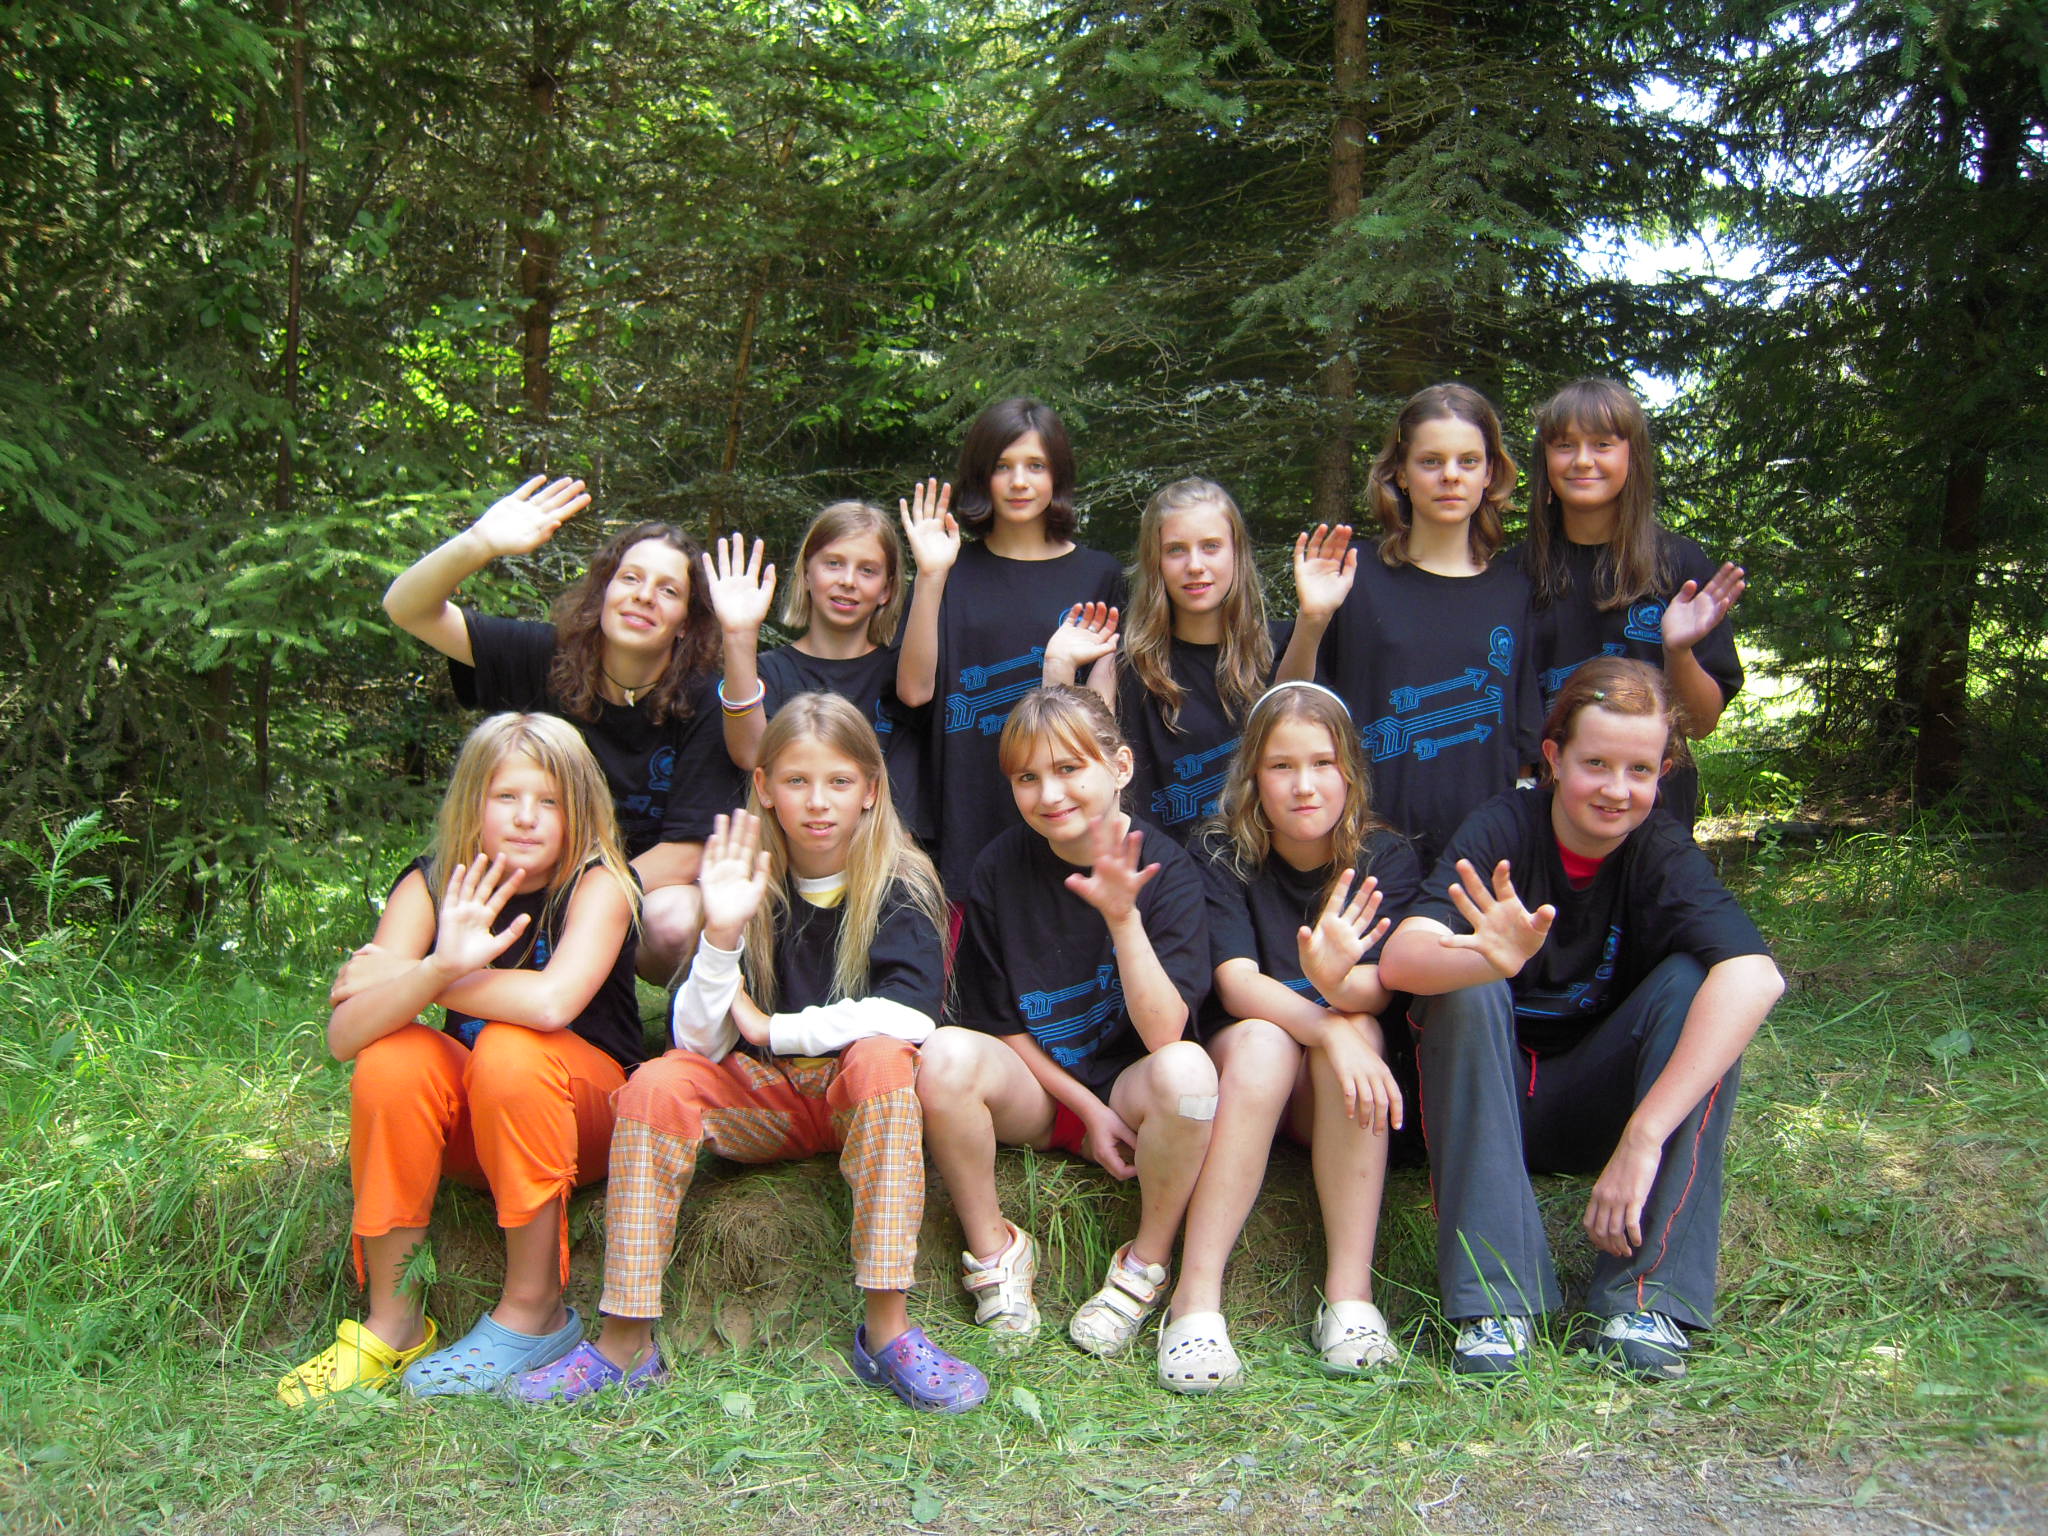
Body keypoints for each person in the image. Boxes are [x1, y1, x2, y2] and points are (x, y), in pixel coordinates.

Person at [511, 695, 982, 1409]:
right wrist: (723, 933)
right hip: (765, 1105)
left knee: (885, 1057)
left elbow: (910, 1015)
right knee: (658, 1082)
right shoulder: (746, 882)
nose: (817, 802)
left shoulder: (901, 879)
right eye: (796, 781)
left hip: (856, 1102)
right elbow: (698, 1042)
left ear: (870, 790)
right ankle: (624, 1343)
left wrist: (774, 1030)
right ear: (764, 788)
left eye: (839, 782)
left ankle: (889, 1331)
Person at [1379, 658, 1784, 1380]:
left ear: (1662, 773)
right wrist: (1487, 957)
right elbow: (1401, 960)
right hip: (1489, 1101)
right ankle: (1497, 1303)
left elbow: (1757, 976)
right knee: (1467, 984)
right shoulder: (1503, 826)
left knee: (1699, 983)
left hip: (1601, 1102)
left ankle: (1644, 1299)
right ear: (1555, 757)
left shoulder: (1660, 850)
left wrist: (1643, 1136)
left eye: (1639, 770)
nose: (1616, 790)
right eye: (1596, 763)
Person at [277, 713, 643, 1403]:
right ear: (474, 800)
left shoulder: (600, 884)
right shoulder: (431, 883)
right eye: (507, 797)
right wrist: (437, 964)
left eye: (550, 801)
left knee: (511, 1045)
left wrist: (422, 977)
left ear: (580, 809)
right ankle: (393, 1321)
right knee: (393, 1055)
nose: (527, 818)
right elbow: (345, 1036)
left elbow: (550, 1004)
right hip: (480, 1128)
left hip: (585, 1123)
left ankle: (535, 1310)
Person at [916, 686, 1214, 1362]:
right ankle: (996, 1254)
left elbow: (1166, 1035)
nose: (1049, 794)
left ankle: (1142, 1268)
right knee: (943, 1055)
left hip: (1133, 1093)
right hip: (1040, 1093)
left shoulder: (1168, 871)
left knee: (1191, 1075)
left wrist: (1123, 918)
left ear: (1121, 766)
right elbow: (998, 1023)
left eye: (1069, 769)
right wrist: (1085, 1110)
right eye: (1027, 778)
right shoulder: (998, 867)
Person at [1160, 682, 1420, 1391]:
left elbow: (1380, 986)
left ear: (1350, 773)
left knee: (1362, 1028)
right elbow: (1236, 983)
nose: (1304, 785)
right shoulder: (1219, 851)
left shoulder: (1384, 856)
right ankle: (1195, 1302)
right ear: (1253, 776)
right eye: (1281, 766)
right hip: (1248, 1075)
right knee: (1267, 1041)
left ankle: (1349, 1300)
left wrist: (1336, 991)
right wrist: (1328, 1027)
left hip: (1328, 1100)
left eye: (1322, 763)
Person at [382, 477, 742, 980]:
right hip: (526, 871)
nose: (644, 597)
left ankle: (675, 1020)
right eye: (630, 578)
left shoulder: (706, 698)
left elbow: (687, 853)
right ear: (604, 590)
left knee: (676, 920)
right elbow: (407, 609)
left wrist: (588, 895)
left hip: (633, 889)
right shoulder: (541, 655)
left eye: (668, 590)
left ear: (685, 621)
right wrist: (479, 543)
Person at [1278, 384, 1542, 872]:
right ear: (1401, 472)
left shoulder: (1515, 590)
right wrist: (1313, 620)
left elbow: (1525, 750)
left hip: (1480, 857)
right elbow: (1289, 707)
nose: (1450, 476)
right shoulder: (1354, 577)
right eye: (1430, 461)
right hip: (1367, 850)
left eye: (1468, 461)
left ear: (1489, 472)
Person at [896, 399, 1126, 910]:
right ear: (982, 476)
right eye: (1003, 466)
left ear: (1057, 474)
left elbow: (1104, 721)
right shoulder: (950, 570)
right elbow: (913, 691)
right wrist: (930, 575)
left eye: (1035, 466)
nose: (1019, 482)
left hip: (1066, 815)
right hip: (967, 809)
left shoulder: (1099, 575)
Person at [1509, 377, 1747, 827]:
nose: (1583, 460)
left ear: (1632, 456)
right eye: (1565, 445)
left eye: (1602, 444)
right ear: (1545, 460)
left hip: (1654, 816)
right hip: (1543, 818)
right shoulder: (1512, 575)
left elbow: (1700, 724)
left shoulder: (1679, 567)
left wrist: (1678, 650)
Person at [1048, 477, 1277, 845]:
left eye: (1211, 546)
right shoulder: (1120, 665)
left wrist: (1314, 623)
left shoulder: (1277, 651)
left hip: (1255, 870)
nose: (1195, 565)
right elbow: (1073, 769)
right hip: (1152, 871)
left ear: (1237, 553)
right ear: (1155, 562)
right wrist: (1058, 668)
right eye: (1176, 550)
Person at [699, 504, 928, 838]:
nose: (847, 581)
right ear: (807, 573)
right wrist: (738, 634)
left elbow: (904, 815)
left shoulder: (901, 676)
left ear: (886, 590)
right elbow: (751, 754)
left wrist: (931, 576)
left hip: (879, 857)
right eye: (833, 563)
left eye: (867, 570)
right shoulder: (767, 671)